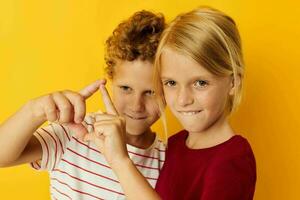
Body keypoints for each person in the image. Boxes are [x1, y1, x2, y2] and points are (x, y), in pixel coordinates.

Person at [84, 6, 256, 200]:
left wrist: (120, 161)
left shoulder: (233, 159)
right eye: (171, 83)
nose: (183, 100)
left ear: (234, 82)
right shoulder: (174, 145)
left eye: (200, 83)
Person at [0, 10, 166, 199]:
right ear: (110, 80)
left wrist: (120, 159)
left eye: (151, 92)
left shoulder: (167, 160)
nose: (137, 105)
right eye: (126, 88)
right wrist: (35, 110)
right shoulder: (74, 133)